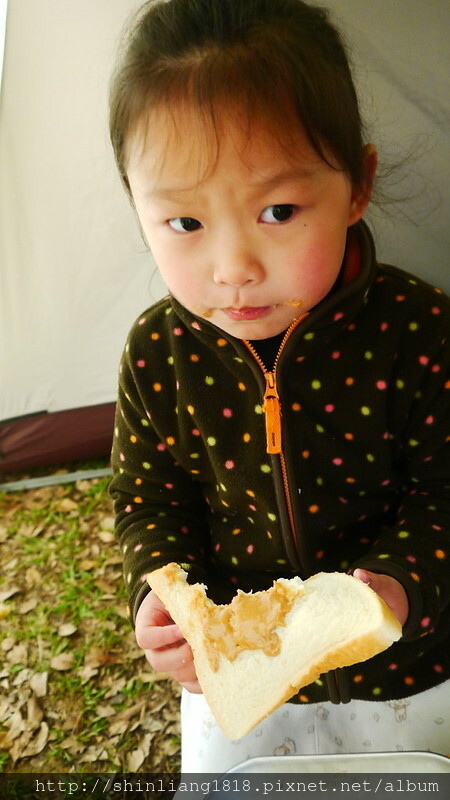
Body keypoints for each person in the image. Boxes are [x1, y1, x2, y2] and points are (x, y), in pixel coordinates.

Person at [108, 0, 450, 771]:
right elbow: (149, 498)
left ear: (357, 186)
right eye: (185, 224)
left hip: (412, 667)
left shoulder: (420, 331)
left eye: (278, 209)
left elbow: (443, 491)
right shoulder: (157, 355)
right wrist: (156, 600)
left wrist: (400, 585)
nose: (233, 269)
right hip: (244, 683)